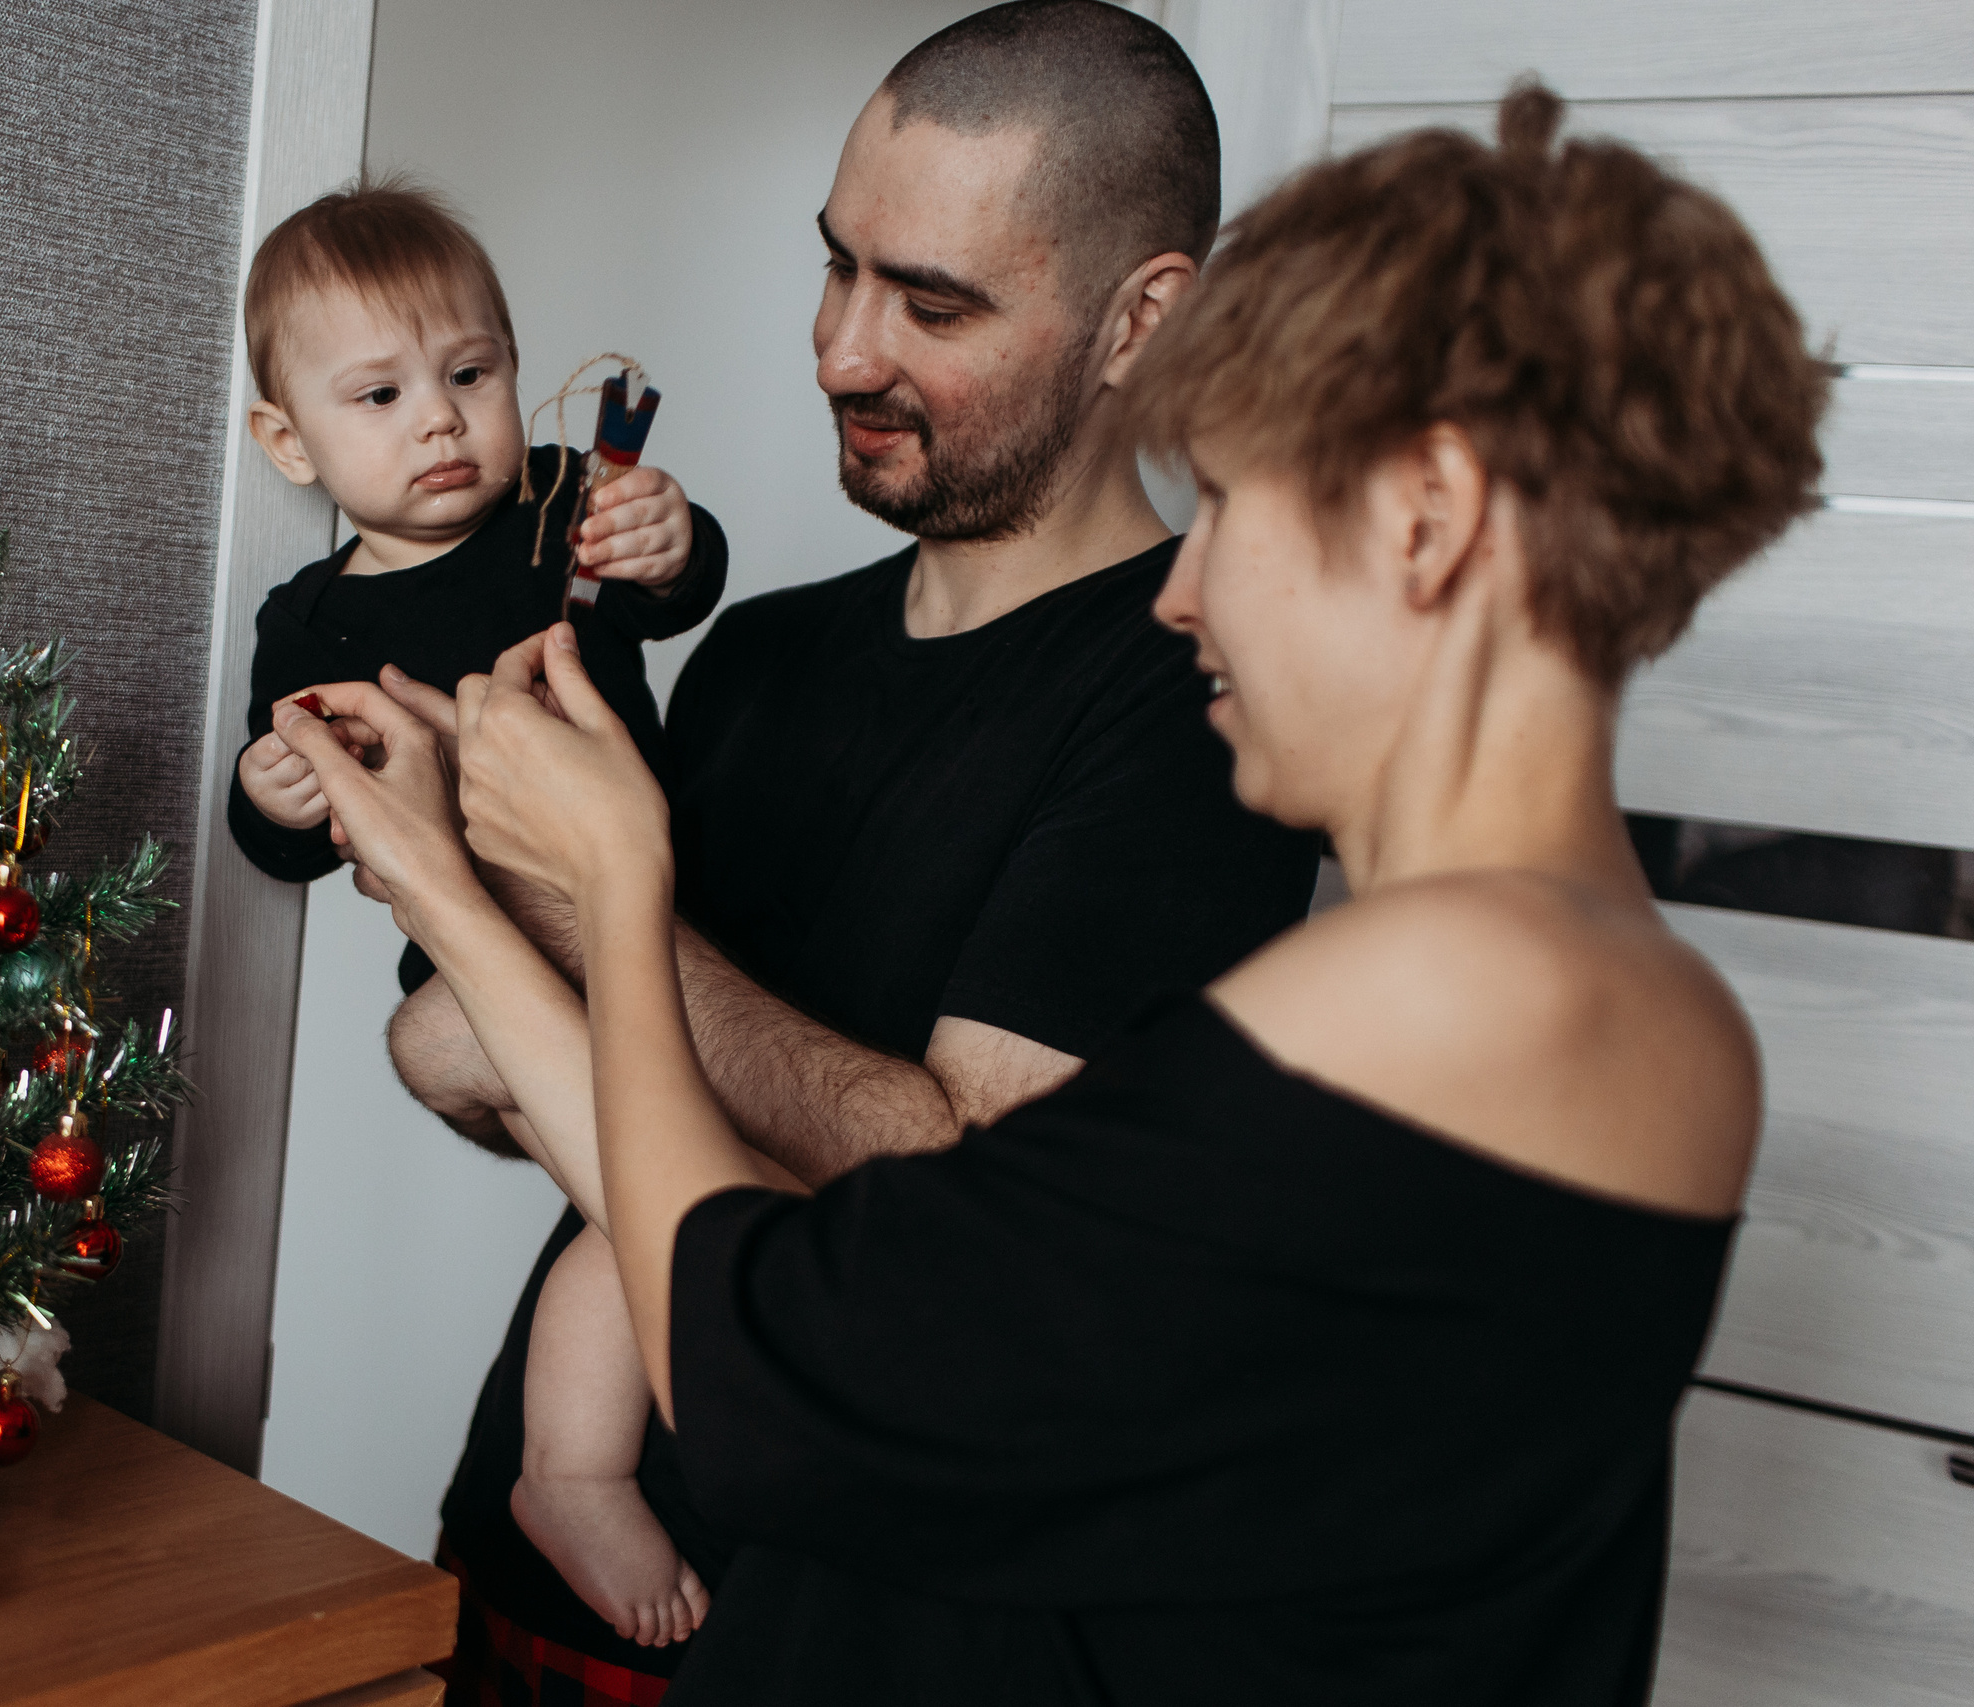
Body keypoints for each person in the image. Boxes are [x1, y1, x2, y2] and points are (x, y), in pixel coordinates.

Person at [278, 76, 1827, 1706]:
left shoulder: (1437, 992)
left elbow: (787, 1373)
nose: (1185, 587)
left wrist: (579, 882)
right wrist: (481, 898)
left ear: (1429, 519)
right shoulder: (1653, 1010)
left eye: (1231, 503)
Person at [374, 2, 1320, 1694]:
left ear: (1142, 319)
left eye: (932, 305)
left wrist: (583, 899)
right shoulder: (757, 654)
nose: (839, 352)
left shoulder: (1201, 711)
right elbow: (477, 1066)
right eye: (838, 267)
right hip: (531, 1544)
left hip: (812, 1635)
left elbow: (966, 1231)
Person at [222, 179, 730, 1646]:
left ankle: (581, 1461)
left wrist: (670, 538)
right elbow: (282, 852)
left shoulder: (558, 508)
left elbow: (680, 588)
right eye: (380, 395)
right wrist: (275, 792)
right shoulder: (311, 624)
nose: (440, 422)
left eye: (472, 374)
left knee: (644, 1199)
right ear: (289, 442)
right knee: (647, 1200)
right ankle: (574, 1469)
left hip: (662, 937)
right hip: (493, 969)